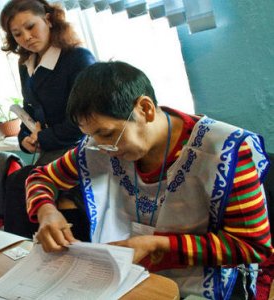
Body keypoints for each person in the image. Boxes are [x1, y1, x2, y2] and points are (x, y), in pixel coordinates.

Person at [26, 61, 273, 299]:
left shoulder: (225, 152)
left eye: (107, 133)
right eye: (92, 136)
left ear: (145, 109)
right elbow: (40, 178)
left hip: (204, 283)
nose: (102, 147)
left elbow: (252, 247)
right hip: (127, 279)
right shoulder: (98, 147)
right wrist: (46, 211)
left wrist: (158, 245)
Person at [0, 0, 96, 239]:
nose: (26, 37)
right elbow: (28, 112)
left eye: (31, 26)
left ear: (49, 20)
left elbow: (87, 121)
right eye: (17, 34)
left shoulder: (78, 58)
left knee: (21, 183)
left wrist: (43, 137)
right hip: (52, 148)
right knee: (17, 183)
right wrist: (25, 138)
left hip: (81, 147)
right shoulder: (27, 65)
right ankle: (27, 250)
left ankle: (25, 248)